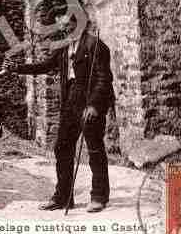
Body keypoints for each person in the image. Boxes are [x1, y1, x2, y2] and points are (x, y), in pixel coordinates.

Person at [6, 23, 115, 213]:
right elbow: (45, 66)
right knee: (62, 147)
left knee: (94, 148)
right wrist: (17, 68)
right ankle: (63, 197)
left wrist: (94, 105)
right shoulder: (64, 48)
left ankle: (99, 196)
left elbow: (104, 78)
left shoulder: (95, 45)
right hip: (71, 102)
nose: (65, 29)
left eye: (69, 24)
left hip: (91, 102)